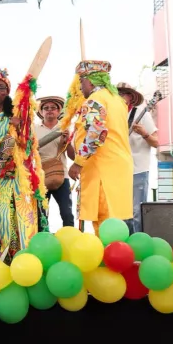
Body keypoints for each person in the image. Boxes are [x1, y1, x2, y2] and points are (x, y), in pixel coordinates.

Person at [0, 68, 41, 262]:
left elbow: (28, 144)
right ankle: (3, 257)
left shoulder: (16, 114)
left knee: (20, 214)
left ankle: (23, 256)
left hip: (17, 173)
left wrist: (19, 126)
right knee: (1, 215)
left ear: (7, 91)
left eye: (1, 87)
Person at [68, 61, 133, 235]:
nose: (80, 87)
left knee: (104, 221)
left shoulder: (95, 99)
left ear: (90, 81)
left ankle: (107, 251)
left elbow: (95, 133)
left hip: (102, 168)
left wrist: (78, 162)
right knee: (115, 220)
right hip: (118, 166)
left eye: (81, 81)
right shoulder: (118, 100)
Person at [117, 82, 158, 233]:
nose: (120, 97)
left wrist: (144, 133)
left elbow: (157, 142)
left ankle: (137, 240)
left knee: (136, 212)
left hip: (138, 169)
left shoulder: (142, 114)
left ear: (131, 97)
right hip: (118, 170)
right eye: (117, 93)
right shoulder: (112, 116)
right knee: (121, 212)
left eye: (123, 93)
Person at [36, 96, 75, 227]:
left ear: (59, 112)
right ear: (41, 112)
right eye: (46, 108)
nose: (49, 110)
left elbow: (73, 157)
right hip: (40, 176)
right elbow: (27, 154)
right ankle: (42, 238)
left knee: (67, 213)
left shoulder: (65, 128)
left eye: (53, 108)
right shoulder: (33, 129)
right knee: (40, 214)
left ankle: (70, 237)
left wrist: (67, 142)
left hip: (62, 176)